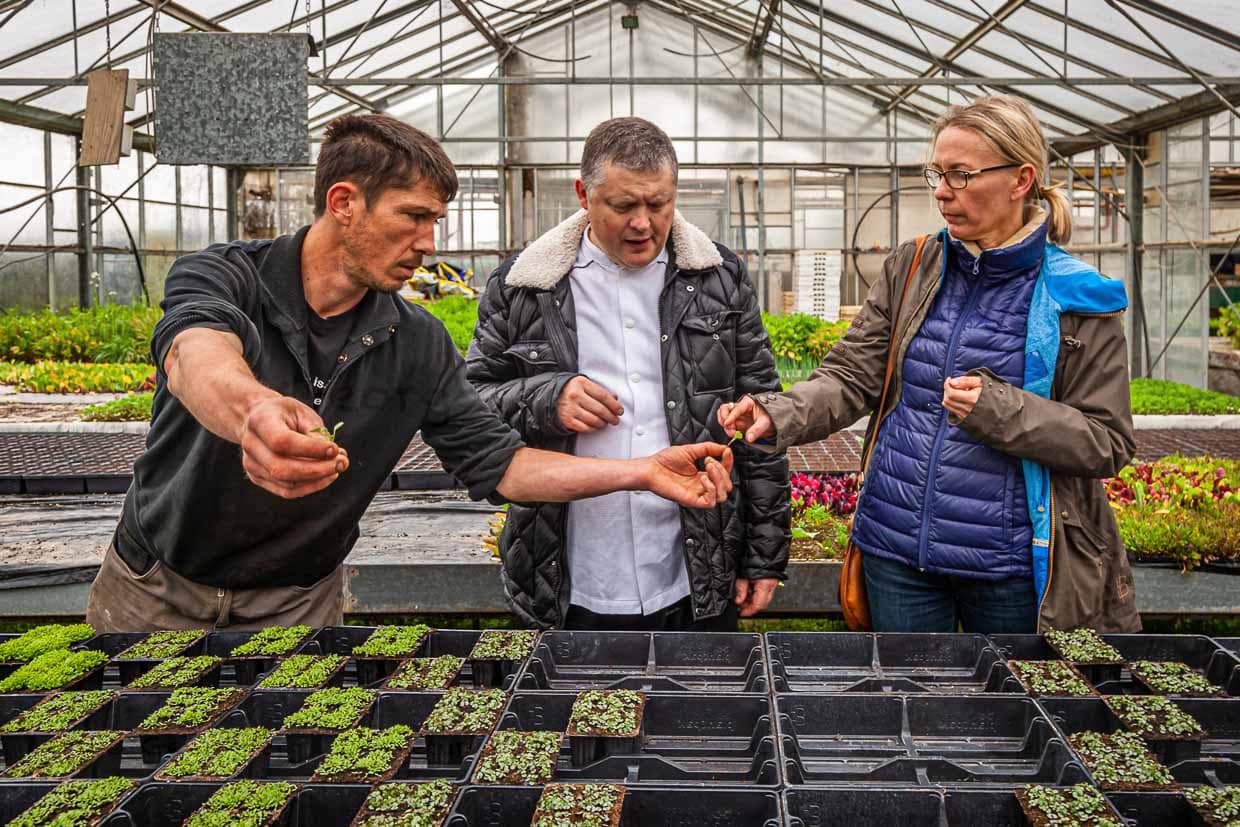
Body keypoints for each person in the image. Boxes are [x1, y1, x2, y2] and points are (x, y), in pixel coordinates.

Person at [85, 114, 734, 633]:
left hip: (298, 600)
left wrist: (641, 471)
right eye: (413, 217)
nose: (429, 243)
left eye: (435, 221)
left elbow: (507, 466)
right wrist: (254, 410)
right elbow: (194, 353)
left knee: (282, 756)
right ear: (345, 202)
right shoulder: (227, 275)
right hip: (154, 587)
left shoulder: (416, 341)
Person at [722, 95, 1140, 634]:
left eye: (961, 175)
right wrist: (777, 412)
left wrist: (999, 410)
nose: (942, 191)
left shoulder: (1076, 296)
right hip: (896, 551)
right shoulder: (913, 266)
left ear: (1021, 180)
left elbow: (1107, 440)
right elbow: (851, 376)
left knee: (1011, 689)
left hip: (1008, 564)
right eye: (937, 174)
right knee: (911, 685)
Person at [468, 117, 789, 632]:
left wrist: (764, 553)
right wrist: (547, 398)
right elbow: (472, 404)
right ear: (584, 195)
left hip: (693, 563)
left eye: (659, 204)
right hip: (570, 563)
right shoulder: (524, 287)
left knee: (697, 684)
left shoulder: (718, 279)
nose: (643, 223)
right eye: (622, 206)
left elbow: (762, 413)